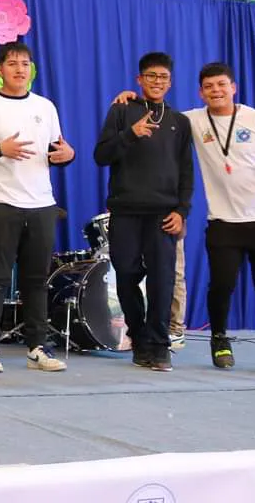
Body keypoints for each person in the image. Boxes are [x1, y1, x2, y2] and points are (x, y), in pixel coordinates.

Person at [115, 62, 255, 376]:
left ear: (233, 87)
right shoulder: (190, 120)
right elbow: (158, 111)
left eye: (221, 85)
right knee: (221, 287)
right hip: (224, 222)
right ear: (201, 92)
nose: (216, 91)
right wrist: (131, 98)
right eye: (209, 87)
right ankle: (219, 340)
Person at [0, 41, 73, 373]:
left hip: (41, 204)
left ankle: (38, 347)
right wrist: (0, 149)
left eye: (25, 63)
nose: (20, 69)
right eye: (12, 63)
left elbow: (57, 151)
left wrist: (69, 156)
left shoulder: (45, 106)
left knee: (37, 280)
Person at [94, 52, 193, 372]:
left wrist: (182, 211)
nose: (157, 82)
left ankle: (159, 345)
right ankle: (139, 337)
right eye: (151, 76)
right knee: (126, 275)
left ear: (170, 81)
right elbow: (101, 155)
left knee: (163, 281)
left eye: (163, 77)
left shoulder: (180, 121)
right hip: (125, 210)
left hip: (163, 213)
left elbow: (186, 172)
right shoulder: (122, 109)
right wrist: (130, 134)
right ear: (139, 79)